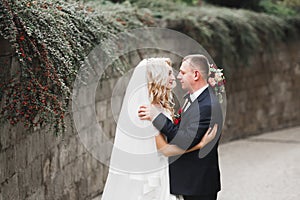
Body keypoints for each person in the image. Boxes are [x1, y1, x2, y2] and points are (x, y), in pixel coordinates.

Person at [101, 58, 218, 200]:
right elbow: (166, 150)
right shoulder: (146, 112)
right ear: (158, 77)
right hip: (152, 175)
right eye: (169, 73)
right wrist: (200, 145)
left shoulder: (158, 108)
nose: (174, 77)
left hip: (164, 171)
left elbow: (175, 132)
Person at [138, 55, 223, 200]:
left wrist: (157, 117)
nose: (178, 76)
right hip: (185, 180)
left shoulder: (207, 105)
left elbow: (184, 138)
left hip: (198, 183)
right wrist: (201, 144)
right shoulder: (192, 98)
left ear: (196, 74)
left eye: (182, 72)